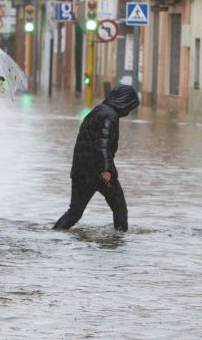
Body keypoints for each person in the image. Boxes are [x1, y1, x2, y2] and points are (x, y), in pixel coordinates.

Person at [53, 85, 140, 232]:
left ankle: (55, 232)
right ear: (124, 102)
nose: (129, 111)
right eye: (130, 106)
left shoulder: (97, 110)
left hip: (81, 170)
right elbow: (102, 144)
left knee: (74, 212)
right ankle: (119, 240)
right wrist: (106, 169)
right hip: (98, 171)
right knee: (119, 208)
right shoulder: (110, 116)